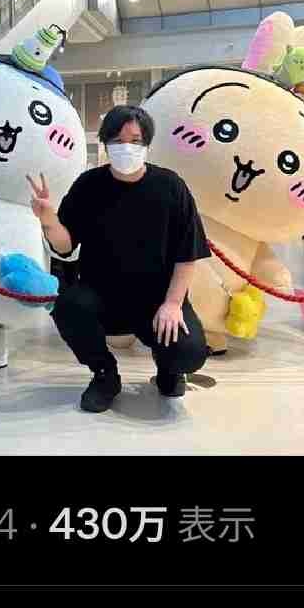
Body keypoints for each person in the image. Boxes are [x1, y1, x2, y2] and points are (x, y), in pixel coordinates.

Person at [28, 105, 210, 412]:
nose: (126, 148)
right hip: (103, 296)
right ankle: (105, 374)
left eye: (135, 141)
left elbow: (187, 253)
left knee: (189, 353)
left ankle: (169, 368)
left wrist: (173, 304)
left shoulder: (171, 186)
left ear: (146, 144)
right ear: (105, 144)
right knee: (67, 305)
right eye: (117, 140)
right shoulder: (89, 185)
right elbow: (65, 244)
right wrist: (48, 219)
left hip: (157, 300)